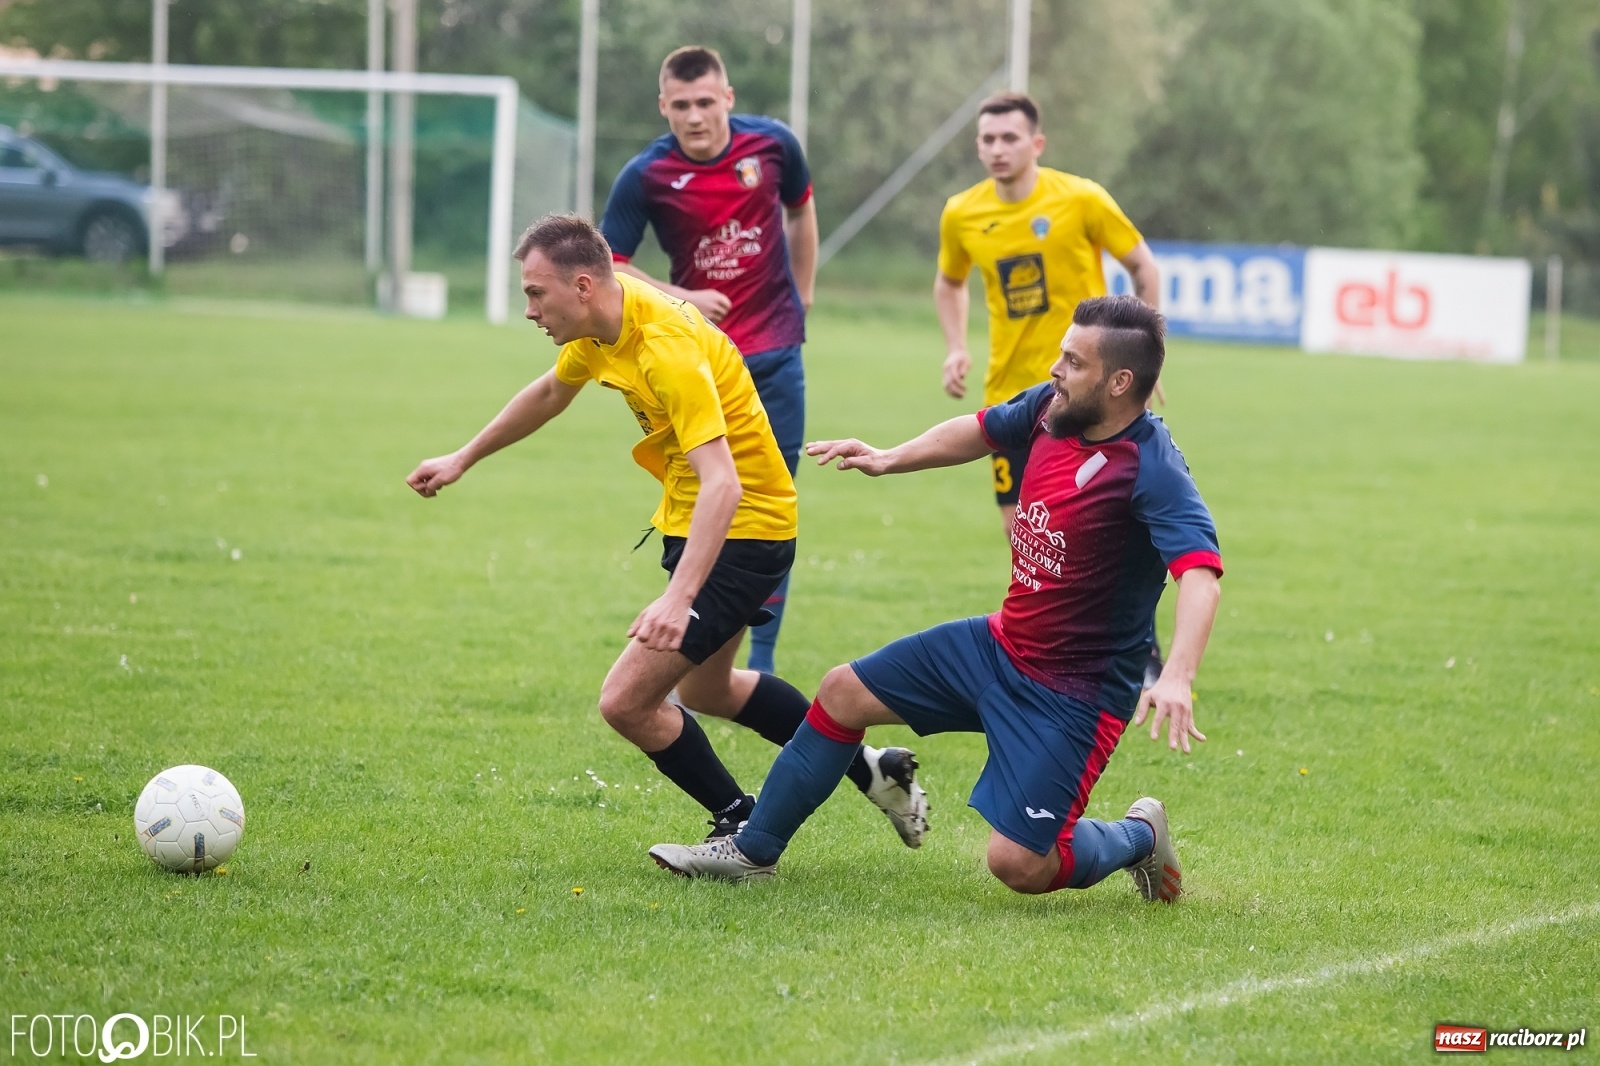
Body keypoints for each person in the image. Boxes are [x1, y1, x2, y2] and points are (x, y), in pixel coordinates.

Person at [649, 296, 1221, 902]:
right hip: (999, 645)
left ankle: (1138, 835)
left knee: (1020, 866)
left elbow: (1200, 574)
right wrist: (889, 457)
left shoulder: (1152, 469)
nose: (1055, 369)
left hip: (1072, 695)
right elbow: (979, 430)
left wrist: (1178, 676)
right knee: (843, 691)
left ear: (1119, 382)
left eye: (1074, 361)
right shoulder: (1054, 409)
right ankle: (751, 850)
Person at [405, 214, 925, 847]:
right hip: (702, 522)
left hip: (744, 529)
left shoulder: (664, 348)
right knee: (710, 688)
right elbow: (548, 394)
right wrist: (462, 458)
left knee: (625, 702)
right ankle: (875, 770)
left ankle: (742, 822)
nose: (528, 308)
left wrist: (678, 598)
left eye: (536, 293)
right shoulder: (601, 328)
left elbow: (724, 484)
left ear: (585, 285)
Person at [935, 90, 1167, 686]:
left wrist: (1146, 364)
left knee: (1099, 529)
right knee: (1026, 537)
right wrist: (956, 345)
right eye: (987, 139)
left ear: (1036, 144)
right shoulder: (962, 213)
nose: (996, 149)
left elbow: (1145, 267)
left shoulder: (1081, 199)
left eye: (1009, 138)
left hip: (1088, 396)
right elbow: (948, 282)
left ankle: (1135, 649)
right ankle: (1048, 656)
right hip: (1013, 396)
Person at [599, 45, 817, 677]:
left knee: (771, 501)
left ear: (727, 98)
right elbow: (611, 265)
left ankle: (765, 661)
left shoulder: (773, 146)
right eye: (681, 105)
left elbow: (801, 212)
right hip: (698, 363)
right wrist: (685, 296)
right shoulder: (646, 174)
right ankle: (695, 652)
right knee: (704, 497)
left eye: (705, 102)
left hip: (774, 357)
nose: (695, 116)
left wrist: (802, 298)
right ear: (663, 106)